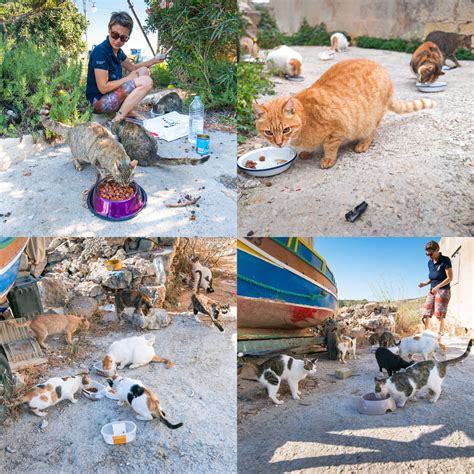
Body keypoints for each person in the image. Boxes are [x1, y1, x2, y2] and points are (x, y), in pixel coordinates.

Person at [86, 11, 168, 122]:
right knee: (146, 82)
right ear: (109, 30)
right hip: (99, 103)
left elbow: (134, 68)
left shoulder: (118, 51)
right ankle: (118, 118)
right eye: (115, 35)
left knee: (143, 71)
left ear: (128, 37)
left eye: (123, 38)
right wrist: (128, 78)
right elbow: (103, 87)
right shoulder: (101, 51)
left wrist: (154, 60)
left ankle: (128, 110)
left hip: (112, 97)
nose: (118, 40)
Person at [418, 240, 453, 335]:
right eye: (427, 254)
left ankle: (438, 339)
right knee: (426, 313)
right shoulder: (430, 263)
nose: (429, 256)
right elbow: (433, 277)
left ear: (437, 249)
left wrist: (438, 287)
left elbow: (450, 278)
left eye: (431, 253)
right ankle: (425, 336)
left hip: (443, 290)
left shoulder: (445, 260)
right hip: (432, 290)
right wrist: (425, 284)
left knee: (438, 316)